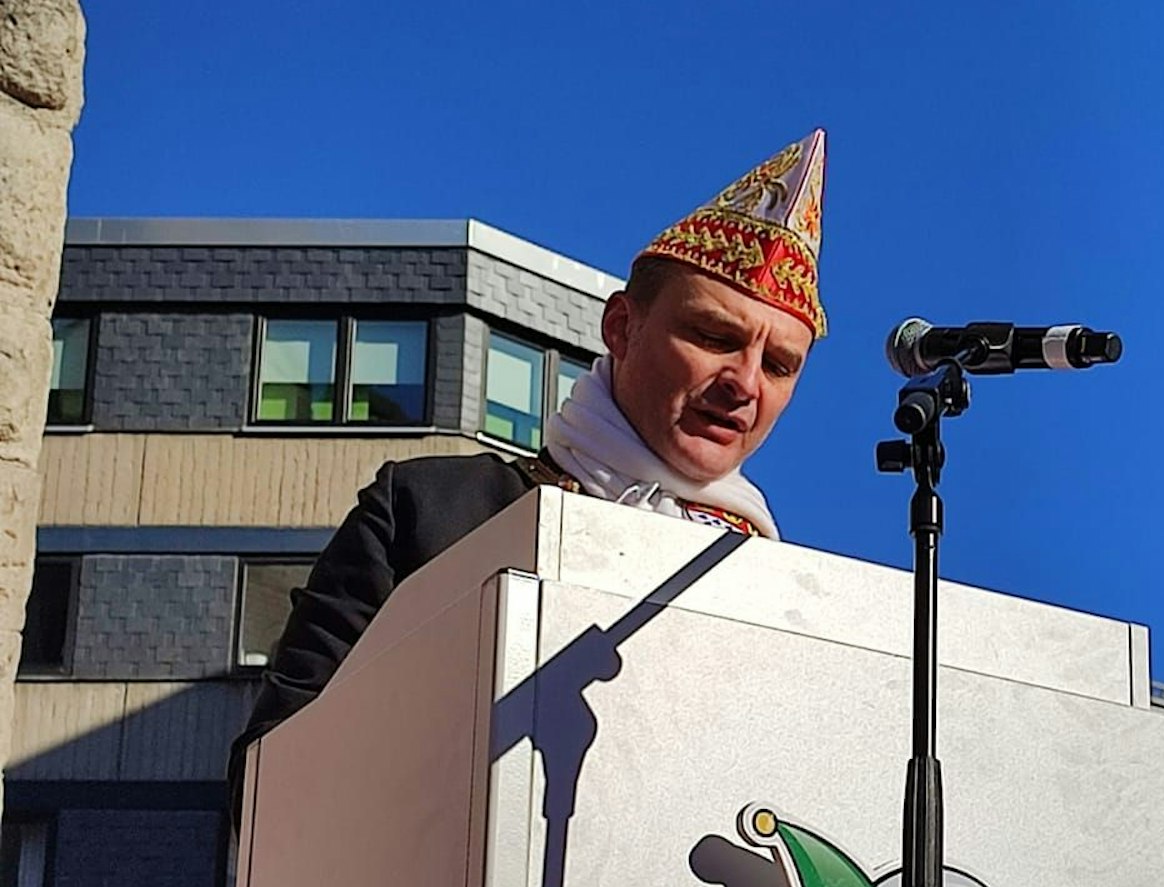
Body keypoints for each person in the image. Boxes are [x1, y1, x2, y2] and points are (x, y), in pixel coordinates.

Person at [227, 129, 830, 822]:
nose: (745, 383)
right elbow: (266, 780)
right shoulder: (432, 512)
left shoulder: (786, 598)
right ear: (622, 329)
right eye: (715, 337)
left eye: (779, 364)